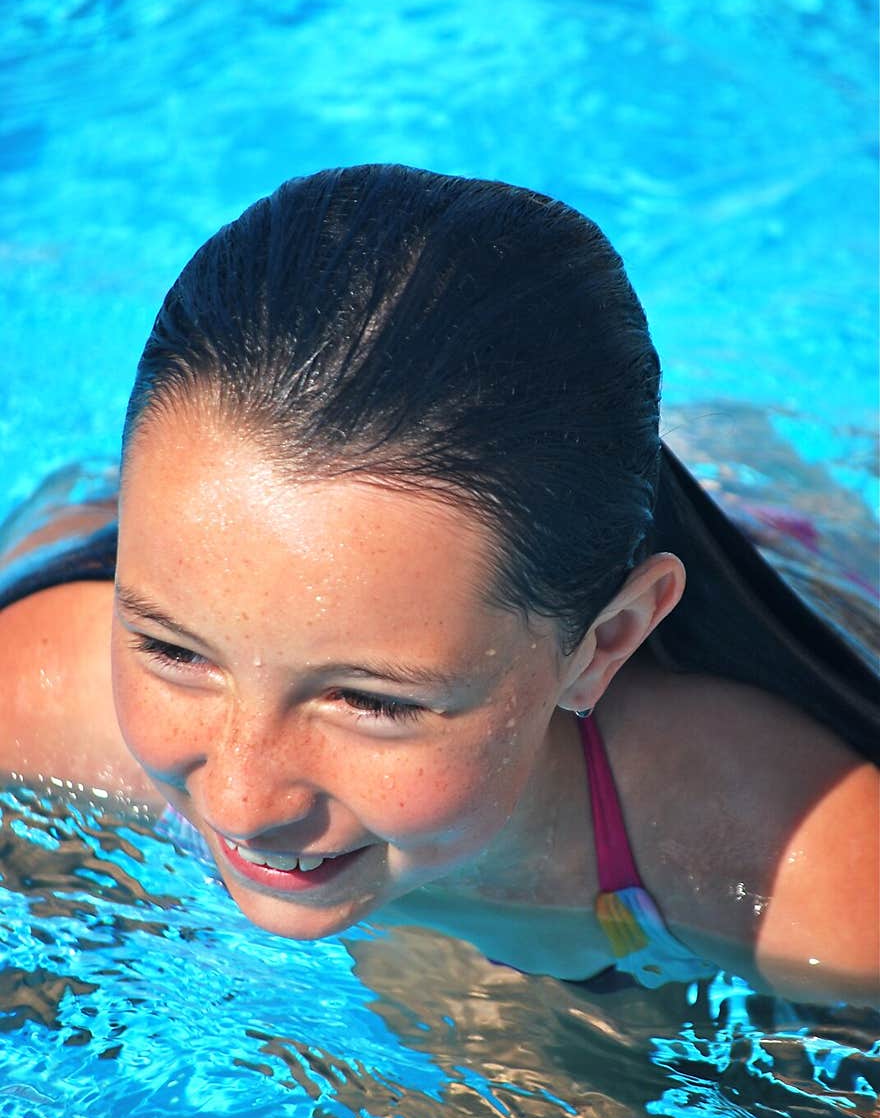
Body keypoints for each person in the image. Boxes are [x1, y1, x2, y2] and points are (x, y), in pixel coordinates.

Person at [0, 164, 877, 1004]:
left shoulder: (793, 868)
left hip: (790, 536)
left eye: (369, 702)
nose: (242, 800)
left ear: (603, 644)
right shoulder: (35, 698)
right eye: (171, 648)